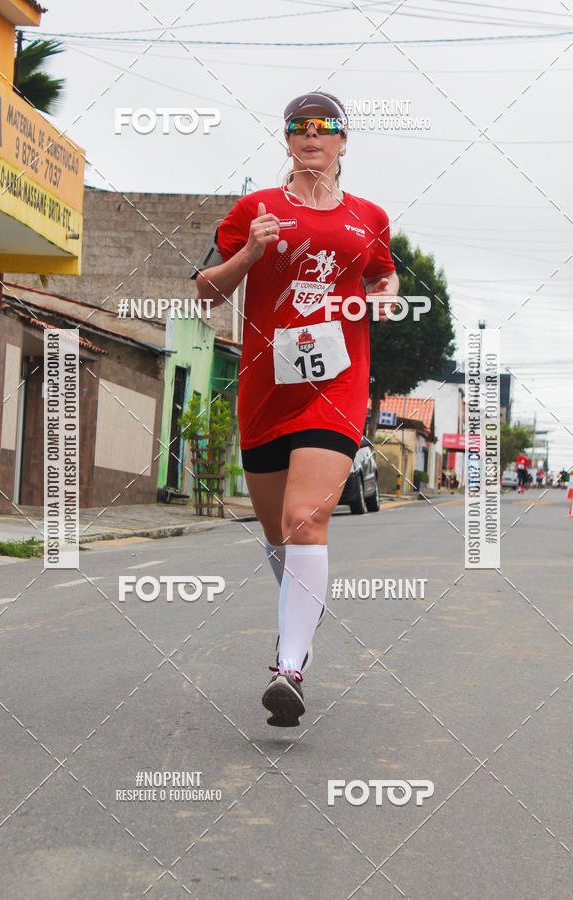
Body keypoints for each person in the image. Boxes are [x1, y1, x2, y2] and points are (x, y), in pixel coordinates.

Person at [194, 91, 399, 727]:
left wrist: (385, 296)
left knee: (303, 518)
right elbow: (206, 289)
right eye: (298, 126)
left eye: (324, 126)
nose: (311, 135)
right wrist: (250, 253)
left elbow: (381, 274)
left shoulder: (369, 217)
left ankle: (290, 667)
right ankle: (295, 631)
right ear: (286, 139)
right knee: (279, 534)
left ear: (343, 141)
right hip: (265, 385)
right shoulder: (255, 208)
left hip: (335, 381)